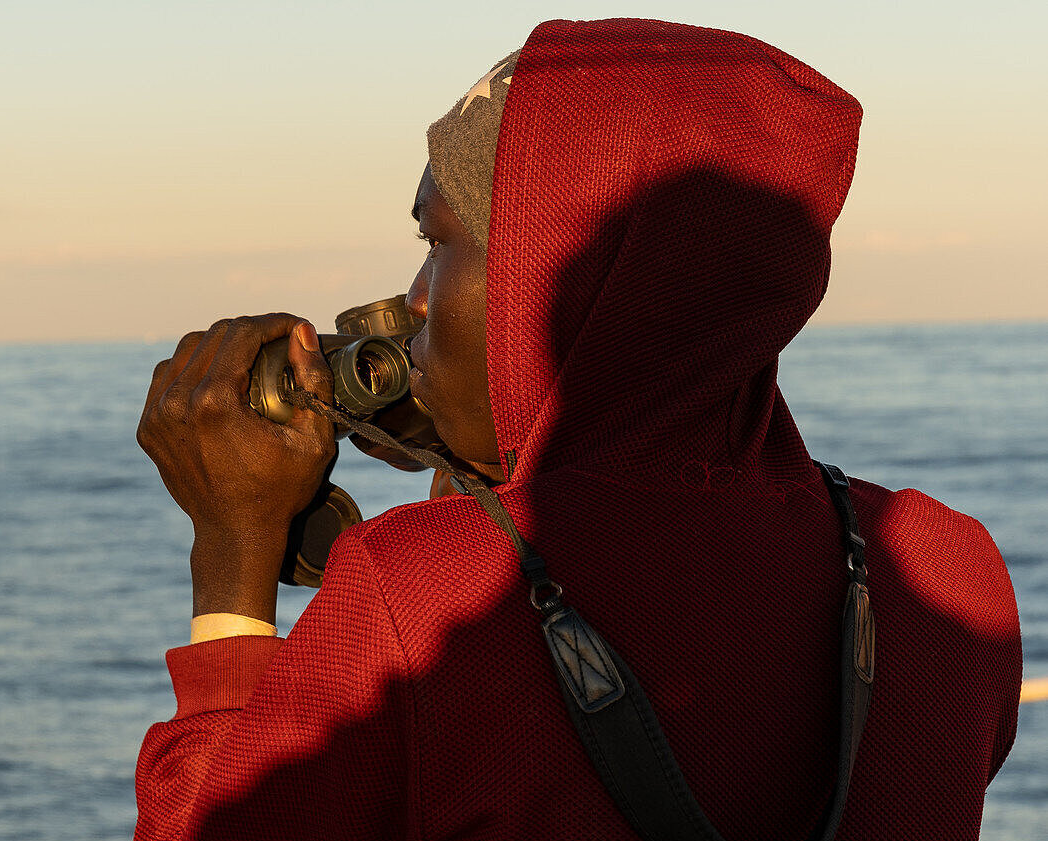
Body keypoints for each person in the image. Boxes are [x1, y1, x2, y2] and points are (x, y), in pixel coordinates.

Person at [134, 18, 1021, 840]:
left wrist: (235, 549)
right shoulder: (951, 572)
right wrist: (490, 462)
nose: (413, 300)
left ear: (547, 278)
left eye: (438, 246)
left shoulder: (415, 597)